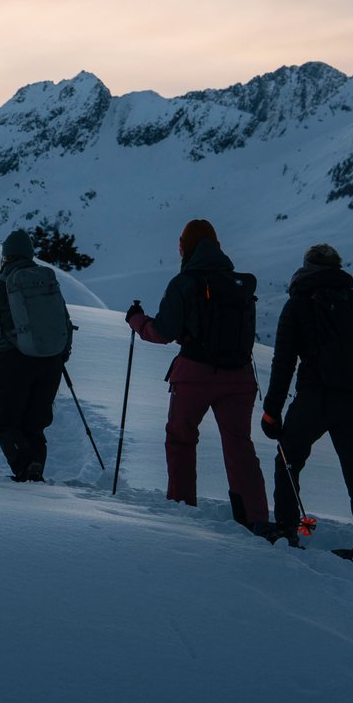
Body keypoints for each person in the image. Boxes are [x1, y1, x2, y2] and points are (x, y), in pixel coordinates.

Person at [125, 219, 274, 535]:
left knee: (181, 438)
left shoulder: (184, 283)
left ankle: (181, 510)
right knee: (239, 446)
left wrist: (138, 321)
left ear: (185, 247)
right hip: (240, 377)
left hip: (193, 374)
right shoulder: (239, 285)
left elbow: (164, 332)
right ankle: (255, 517)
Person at [263, 244, 353, 561]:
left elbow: (284, 362)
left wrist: (271, 411)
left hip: (314, 399)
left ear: (306, 266)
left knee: (288, 460)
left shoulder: (298, 303)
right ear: (338, 266)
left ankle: (287, 529)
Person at [0, 230, 71, 482]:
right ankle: (34, 472)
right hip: (51, 361)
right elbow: (64, 321)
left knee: (6, 422)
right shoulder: (47, 281)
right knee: (35, 424)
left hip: (14, 361)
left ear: (6, 257)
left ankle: (25, 465)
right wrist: (61, 355)